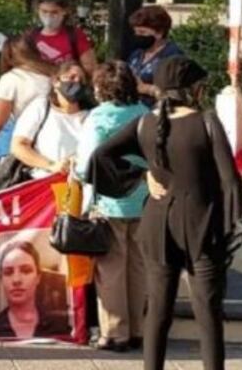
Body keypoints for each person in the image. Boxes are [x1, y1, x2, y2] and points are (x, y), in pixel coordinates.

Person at [90, 56, 242, 370]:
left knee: (158, 310)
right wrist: (233, 223)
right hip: (202, 224)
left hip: (157, 223)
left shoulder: (145, 122)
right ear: (193, 88)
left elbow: (100, 156)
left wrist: (140, 176)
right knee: (208, 313)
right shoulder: (207, 122)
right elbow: (230, 180)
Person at [75, 61, 150, 352]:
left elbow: (86, 164)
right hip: (142, 197)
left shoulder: (99, 117)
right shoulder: (144, 113)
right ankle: (139, 329)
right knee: (138, 265)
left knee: (111, 269)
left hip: (109, 200)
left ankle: (115, 332)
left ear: (101, 87)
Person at [0, 35, 55, 160]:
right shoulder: (55, 76)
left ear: (7, 55)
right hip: (52, 140)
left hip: (20, 140)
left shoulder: (12, 79)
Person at [0, 240, 71, 338]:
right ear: (1, 279)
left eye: (26, 271)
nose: (16, 280)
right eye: (8, 272)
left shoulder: (60, 328)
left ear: (38, 278)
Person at [10, 61, 90, 180]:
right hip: (44, 182)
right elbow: (18, 146)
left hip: (80, 183)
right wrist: (51, 165)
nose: (77, 82)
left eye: (81, 80)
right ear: (56, 82)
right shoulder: (41, 107)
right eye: (72, 77)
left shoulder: (91, 116)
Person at [27, 0, 96, 76]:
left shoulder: (75, 35)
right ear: (38, 9)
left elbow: (91, 69)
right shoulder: (31, 37)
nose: (48, 16)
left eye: (54, 12)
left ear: (65, 11)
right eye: (44, 11)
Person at [127, 5, 183, 105]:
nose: (138, 36)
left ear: (159, 32)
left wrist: (147, 89)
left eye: (142, 32)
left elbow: (176, 95)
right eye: (135, 32)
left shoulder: (173, 56)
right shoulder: (137, 54)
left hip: (155, 111)